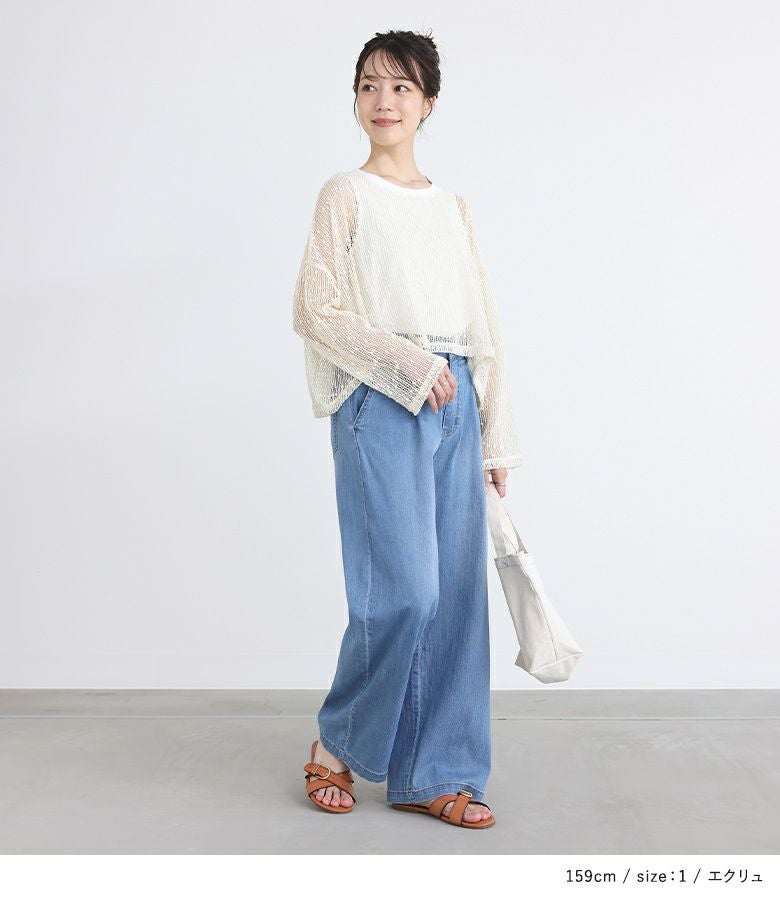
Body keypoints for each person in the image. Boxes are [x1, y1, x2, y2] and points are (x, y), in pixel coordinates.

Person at [291, 29, 523, 829]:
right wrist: (409, 367)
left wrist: (495, 437)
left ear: (428, 102)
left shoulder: (452, 206)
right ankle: (339, 741)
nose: (382, 101)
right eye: (368, 85)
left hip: (454, 400)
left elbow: (483, 324)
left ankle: (436, 772)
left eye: (400, 87)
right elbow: (314, 310)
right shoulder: (345, 194)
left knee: (455, 599)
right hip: (380, 398)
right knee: (405, 593)